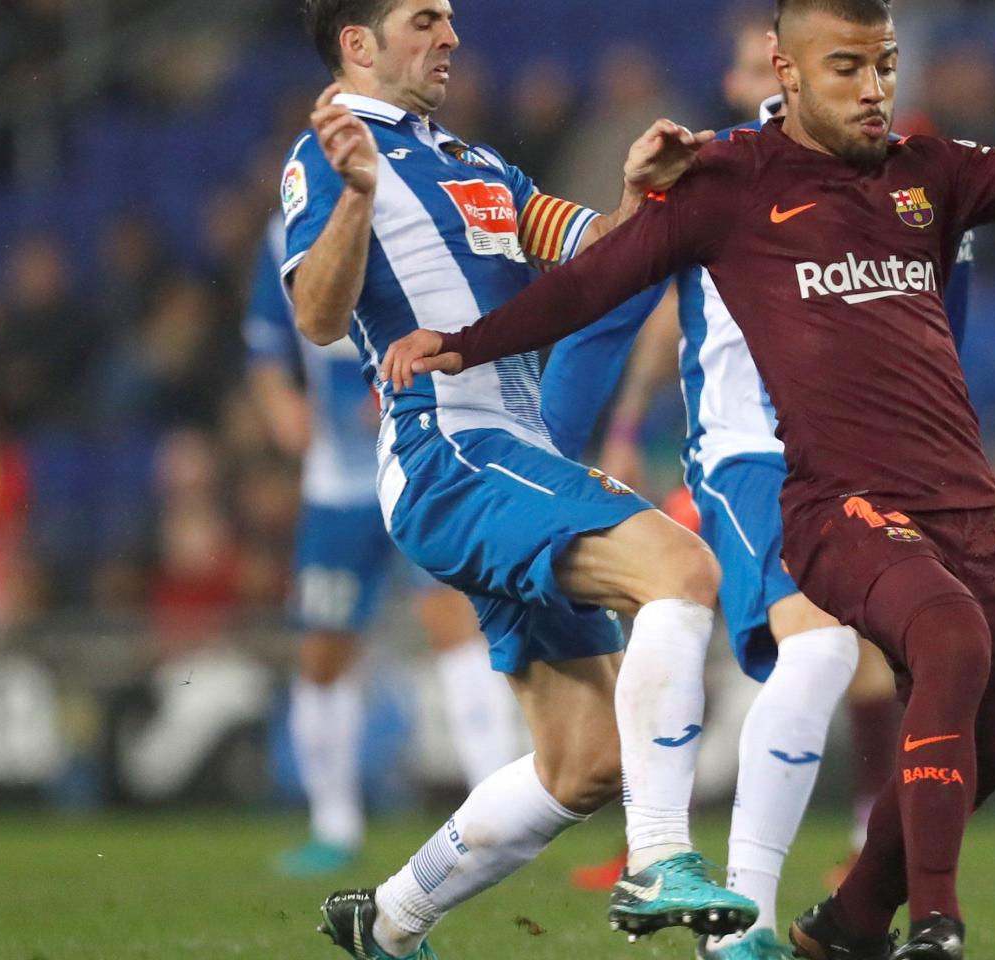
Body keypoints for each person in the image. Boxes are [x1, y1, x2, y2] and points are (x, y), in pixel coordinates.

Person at [383, 1, 995, 956]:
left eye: (885, 65)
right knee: (884, 647)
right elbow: (591, 295)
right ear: (785, 70)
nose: (874, 87)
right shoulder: (718, 180)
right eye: (847, 66)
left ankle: (887, 917)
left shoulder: (927, 173)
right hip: (779, 471)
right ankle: (827, 924)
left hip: (942, 488)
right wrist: (485, 366)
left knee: (992, 727)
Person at [282, 1, 758, 957]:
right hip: (450, 454)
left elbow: (601, 258)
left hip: (520, 456)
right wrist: (358, 200)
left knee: (588, 762)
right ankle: (660, 856)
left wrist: (640, 199)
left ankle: (388, 920)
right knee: (682, 570)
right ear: (359, 45)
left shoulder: (478, 164)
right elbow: (319, 318)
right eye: (425, 19)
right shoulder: (326, 157)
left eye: (450, 19)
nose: (451, 36)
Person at [244, 212, 520, 878]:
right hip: (340, 484)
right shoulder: (287, 233)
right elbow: (265, 344)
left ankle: (502, 816)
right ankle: (333, 825)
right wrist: (279, 402)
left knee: (453, 622)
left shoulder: (422, 213)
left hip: (428, 462)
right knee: (323, 650)